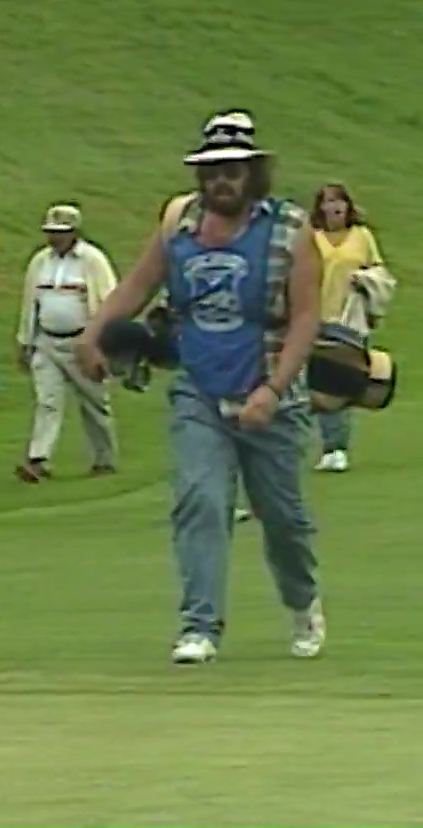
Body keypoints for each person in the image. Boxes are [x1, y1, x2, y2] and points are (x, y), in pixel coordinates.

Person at [75, 110, 326, 663]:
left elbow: (306, 317)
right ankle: (199, 626)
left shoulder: (290, 229)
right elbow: (138, 286)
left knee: (281, 517)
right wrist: (93, 334)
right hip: (199, 388)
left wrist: (274, 389)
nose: (221, 181)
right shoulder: (178, 224)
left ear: (252, 172)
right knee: (200, 499)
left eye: (232, 170)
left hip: (266, 390)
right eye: (212, 171)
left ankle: (302, 601)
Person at [14, 203, 119, 481]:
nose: (54, 238)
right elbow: (30, 303)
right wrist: (25, 340)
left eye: (60, 232)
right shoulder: (40, 262)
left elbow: (109, 301)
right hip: (47, 342)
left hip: (83, 342)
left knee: (94, 404)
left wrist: (101, 343)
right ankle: (38, 459)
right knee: (47, 402)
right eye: (50, 232)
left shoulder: (92, 260)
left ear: (74, 232)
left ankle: (104, 459)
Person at [310, 182, 385, 472]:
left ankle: (336, 448)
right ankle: (325, 445)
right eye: (327, 201)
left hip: (349, 319)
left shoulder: (361, 236)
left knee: (340, 383)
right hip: (315, 318)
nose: (334, 206)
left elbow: (378, 270)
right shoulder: (312, 238)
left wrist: (365, 281)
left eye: (339, 200)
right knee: (316, 386)